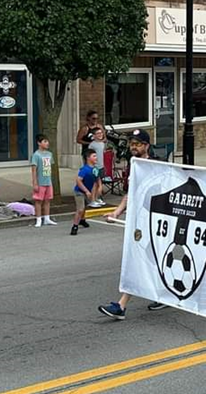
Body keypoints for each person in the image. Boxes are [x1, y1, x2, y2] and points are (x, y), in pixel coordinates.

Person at [98, 129, 169, 319]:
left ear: (146, 146)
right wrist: (117, 211)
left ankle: (121, 306)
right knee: (147, 258)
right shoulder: (134, 165)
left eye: (137, 144)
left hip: (153, 220)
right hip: (139, 220)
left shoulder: (154, 166)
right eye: (131, 144)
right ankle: (162, 294)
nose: (133, 147)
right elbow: (131, 194)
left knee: (139, 259)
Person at [71, 149, 99, 236]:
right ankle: (74, 226)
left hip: (88, 191)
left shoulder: (95, 169)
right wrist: (86, 191)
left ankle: (82, 220)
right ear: (88, 158)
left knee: (85, 207)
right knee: (80, 209)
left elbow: (95, 182)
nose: (96, 158)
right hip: (79, 191)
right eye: (94, 156)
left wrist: (93, 195)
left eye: (96, 156)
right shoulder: (84, 169)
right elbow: (78, 181)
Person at [31, 134, 57, 228]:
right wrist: (35, 183)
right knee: (38, 201)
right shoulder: (36, 155)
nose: (47, 143)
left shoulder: (49, 154)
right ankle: (38, 218)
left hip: (48, 181)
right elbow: (34, 170)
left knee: (47, 200)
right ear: (39, 143)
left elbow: (51, 167)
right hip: (40, 181)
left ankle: (47, 218)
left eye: (47, 141)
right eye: (44, 141)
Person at [88, 128, 107, 207]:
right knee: (95, 184)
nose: (100, 135)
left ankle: (97, 198)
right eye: (98, 133)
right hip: (95, 167)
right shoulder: (92, 145)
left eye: (101, 133)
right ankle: (92, 200)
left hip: (101, 166)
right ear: (94, 135)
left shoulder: (102, 144)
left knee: (99, 184)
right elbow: (89, 156)